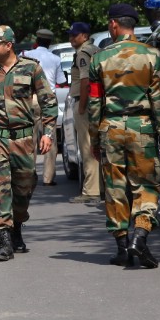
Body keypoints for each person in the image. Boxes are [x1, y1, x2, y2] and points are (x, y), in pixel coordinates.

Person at [88, 3, 160, 269]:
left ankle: (122, 248)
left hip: (110, 127)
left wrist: (94, 137)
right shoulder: (152, 55)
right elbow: (159, 100)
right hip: (142, 126)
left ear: (114, 24)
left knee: (115, 188)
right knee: (146, 184)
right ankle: (141, 236)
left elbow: (94, 104)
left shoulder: (98, 59)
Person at [0, 25, 57, 261]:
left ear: (8, 45)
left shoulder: (31, 68)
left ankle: (17, 224)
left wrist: (48, 133)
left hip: (24, 138)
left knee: (24, 187)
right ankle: (4, 240)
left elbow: (48, 101)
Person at [21, 28, 63, 186]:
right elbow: (61, 80)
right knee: (49, 138)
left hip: (29, 99)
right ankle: (48, 178)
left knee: (29, 139)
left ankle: (28, 176)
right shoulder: (55, 59)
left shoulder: (25, 55)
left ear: (36, 41)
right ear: (50, 42)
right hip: (48, 100)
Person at [66, 22, 101, 204]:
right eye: (70, 35)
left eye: (75, 35)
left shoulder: (83, 53)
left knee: (87, 146)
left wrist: (81, 107)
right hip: (93, 103)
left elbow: (86, 81)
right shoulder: (95, 50)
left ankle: (92, 191)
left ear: (85, 36)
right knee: (94, 145)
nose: (71, 38)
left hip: (85, 103)